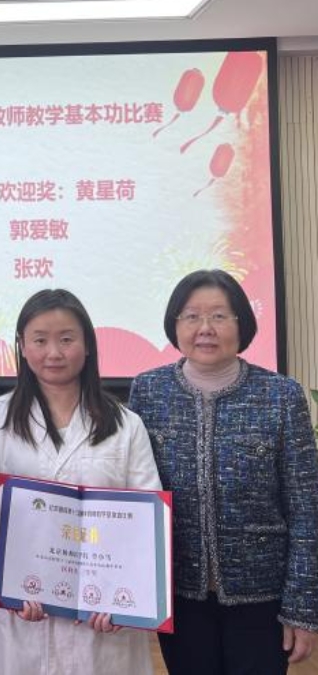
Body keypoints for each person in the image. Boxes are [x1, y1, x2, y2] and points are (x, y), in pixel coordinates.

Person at [129, 269, 318, 674]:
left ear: (241, 323)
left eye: (219, 315)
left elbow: (307, 508)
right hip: (180, 594)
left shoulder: (281, 396)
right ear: (175, 324)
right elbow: (136, 494)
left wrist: (302, 607)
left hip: (263, 597)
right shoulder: (148, 391)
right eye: (191, 316)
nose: (205, 328)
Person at [0, 288, 161, 675]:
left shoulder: (126, 425)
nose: (54, 353)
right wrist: (17, 575)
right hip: (22, 610)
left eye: (66, 339)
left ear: (88, 345)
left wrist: (124, 595)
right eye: (39, 340)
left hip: (102, 614)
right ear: (21, 346)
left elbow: (146, 522)